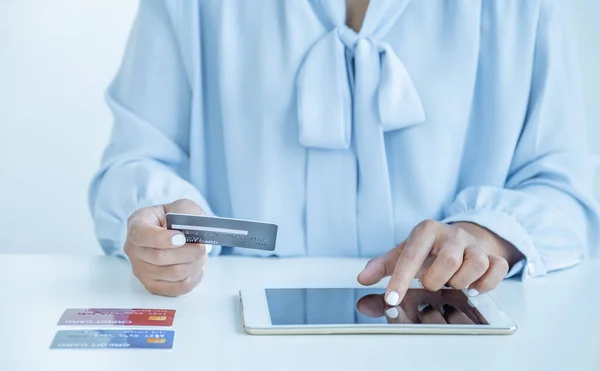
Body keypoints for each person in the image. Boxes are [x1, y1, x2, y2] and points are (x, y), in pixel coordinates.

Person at [89, 0, 599, 306]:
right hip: (225, 329)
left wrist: (488, 234)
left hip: (448, 335)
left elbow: (566, 189)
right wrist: (163, 223)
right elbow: (135, 159)